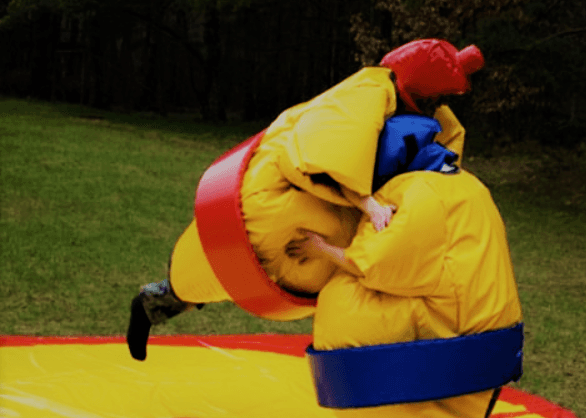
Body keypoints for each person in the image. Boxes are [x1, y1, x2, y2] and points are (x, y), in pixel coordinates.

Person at [127, 39, 484, 361]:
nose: (437, 105)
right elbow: (326, 151)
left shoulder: (427, 127)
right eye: (435, 97)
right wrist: (368, 203)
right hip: (273, 212)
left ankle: (417, 364)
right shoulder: (368, 94)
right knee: (199, 274)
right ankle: (151, 303)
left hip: (321, 240)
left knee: (378, 295)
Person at [291, 140, 524, 418]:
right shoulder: (466, 184)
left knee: (357, 321)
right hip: (487, 319)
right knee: (439, 411)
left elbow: (380, 262)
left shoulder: (418, 193)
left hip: (460, 326)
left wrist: (320, 249)